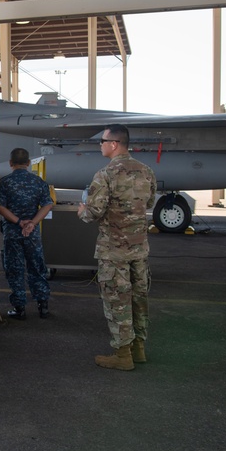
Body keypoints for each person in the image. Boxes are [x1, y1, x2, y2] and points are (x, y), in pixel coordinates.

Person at [78, 124, 157, 371]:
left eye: (102, 141)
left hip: (114, 251)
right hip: (139, 249)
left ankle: (122, 354)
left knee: (117, 301)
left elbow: (94, 212)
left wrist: (82, 211)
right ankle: (138, 349)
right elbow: (149, 201)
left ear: (114, 144)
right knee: (139, 298)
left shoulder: (105, 175)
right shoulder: (146, 171)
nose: (100, 145)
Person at [0, 148, 54, 320]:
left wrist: (19, 222)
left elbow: (0, 206)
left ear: (10, 163)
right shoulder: (38, 182)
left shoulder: (5, 182)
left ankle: (19, 308)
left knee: (14, 269)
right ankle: (43, 306)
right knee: (36, 267)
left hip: (12, 232)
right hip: (32, 233)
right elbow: (47, 205)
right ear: (28, 163)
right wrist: (32, 223)